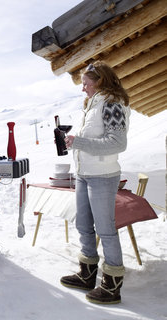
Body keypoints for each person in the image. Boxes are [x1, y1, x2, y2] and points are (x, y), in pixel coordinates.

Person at [60, 61, 130, 304]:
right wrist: (74, 140)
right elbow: (93, 137)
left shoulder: (112, 103)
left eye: (86, 83)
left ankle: (112, 286)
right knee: (83, 225)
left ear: (100, 81)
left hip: (102, 175)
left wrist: (78, 143)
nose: (83, 89)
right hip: (84, 173)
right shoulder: (92, 105)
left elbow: (117, 143)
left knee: (106, 230)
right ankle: (87, 273)